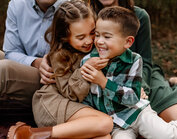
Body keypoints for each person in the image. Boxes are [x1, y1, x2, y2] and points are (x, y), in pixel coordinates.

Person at [80, 6, 177, 139]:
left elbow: (132, 98)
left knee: (165, 135)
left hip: (137, 114)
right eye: (97, 35)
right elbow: (86, 98)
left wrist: (103, 82)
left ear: (128, 42)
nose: (99, 41)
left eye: (107, 37)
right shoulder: (88, 61)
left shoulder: (134, 61)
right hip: (116, 123)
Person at [7, 1, 113, 139]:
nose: (88, 40)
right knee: (105, 123)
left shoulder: (98, 47)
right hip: (52, 102)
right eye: (80, 37)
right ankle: (29, 135)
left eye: (92, 33)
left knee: (104, 137)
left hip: (76, 106)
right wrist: (86, 69)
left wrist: (128, 84)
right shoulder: (60, 56)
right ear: (65, 37)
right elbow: (71, 94)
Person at [0, 0, 65, 108]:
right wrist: (35, 62)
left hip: (51, 79)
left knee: (3, 70)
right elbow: (11, 52)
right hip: (28, 67)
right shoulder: (17, 4)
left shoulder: (71, 9)